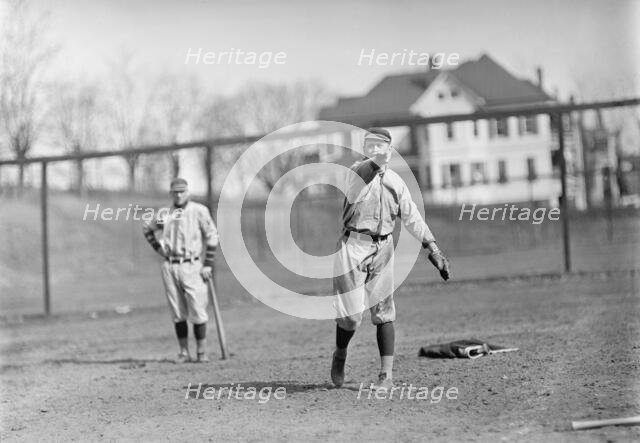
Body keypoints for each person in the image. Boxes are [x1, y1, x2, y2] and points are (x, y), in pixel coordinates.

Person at [331, 127, 451, 390]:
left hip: (383, 247)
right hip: (353, 246)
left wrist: (433, 247)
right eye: (370, 145)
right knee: (351, 318)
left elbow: (411, 217)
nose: (374, 150)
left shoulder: (396, 182)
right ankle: (340, 354)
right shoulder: (356, 172)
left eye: (380, 145)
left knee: (385, 312)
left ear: (390, 148)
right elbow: (368, 170)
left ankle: (386, 376)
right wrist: (376, 159)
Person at [142, 177, 218, 363]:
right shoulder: (165, 213)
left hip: (193, 264)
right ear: (171, 193)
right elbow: (147, 228)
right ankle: (184, 352)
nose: (179, 194)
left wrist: (207, 263)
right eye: (175, 191)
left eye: (182, 191)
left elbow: (212, 236)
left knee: (198, 308)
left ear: (188, 192)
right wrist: (158, 248)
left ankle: (201, 352)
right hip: (170, 265)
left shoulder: (199, 211)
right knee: (177, 312)